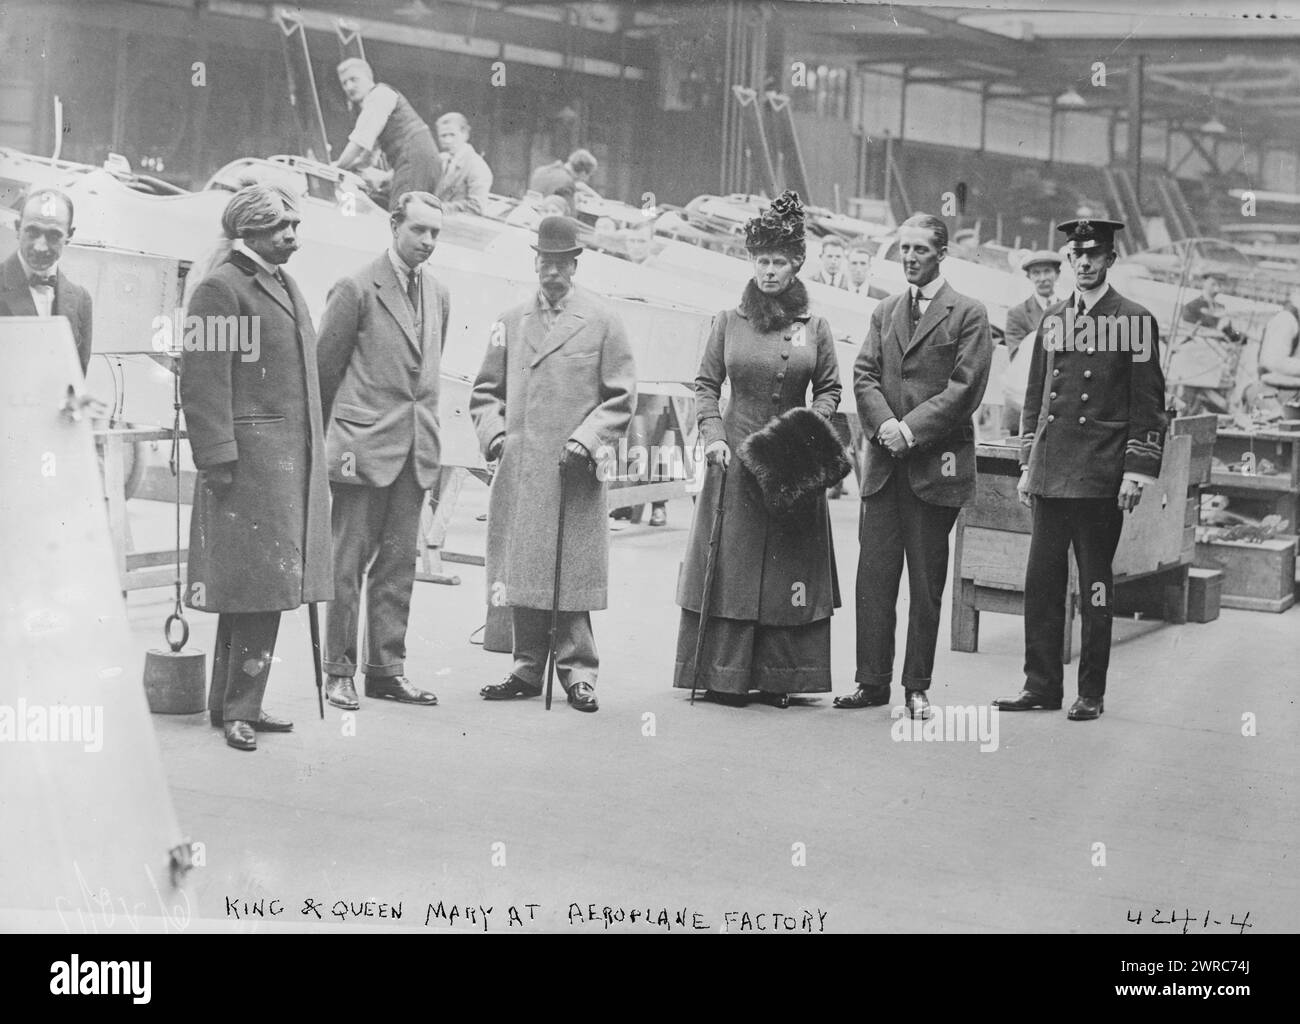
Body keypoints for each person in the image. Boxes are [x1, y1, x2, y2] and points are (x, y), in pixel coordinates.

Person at [673, 190, 843, 708]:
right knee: (735, 569)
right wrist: (714, 438)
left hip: (791, 467)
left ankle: (781, 676)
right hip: (735, 465)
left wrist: (806, 436)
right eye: (761, 261)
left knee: (787, 568)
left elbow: (831, 390)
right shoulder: (728, 321)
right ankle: (724, 674)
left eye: (779, 262)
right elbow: (705, 385)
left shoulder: (816, 327)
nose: (769, 271)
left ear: (795, 265)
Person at [179, 184, 333, 751]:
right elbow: (203, 380)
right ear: (248, 232)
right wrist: (217, 458)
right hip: (248, 471)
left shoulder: (282, 284)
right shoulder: (223, 290)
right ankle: (242, 708)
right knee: (259, 592)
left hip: (283, 469)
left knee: (256, 590)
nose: (291, 236)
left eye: (293, 226)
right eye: (279, 228)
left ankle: (229, 701)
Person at [994, 218, 1167, 722]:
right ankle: (1041, 685)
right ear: (1069, 261)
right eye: (1077, 256)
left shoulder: (1135, 320)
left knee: (1094, 587)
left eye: (1095, 255)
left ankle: (1091, 691)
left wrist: (1137, 470)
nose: (1085, 264)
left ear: (1111, 259)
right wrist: (1028, 461)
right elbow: (1035, 397)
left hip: (1100, 476)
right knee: (1042, 584)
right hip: (1051, 470)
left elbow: (1148, 404)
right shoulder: (1052, 319)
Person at [471, 216, 636, 713]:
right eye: (546, 262)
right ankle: (525, 668)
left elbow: (622, 396)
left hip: (574, 471)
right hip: (523, 471)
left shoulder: (603, 321)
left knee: (570, 576)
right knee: (523, 571)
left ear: (575, 264)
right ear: (535, 262)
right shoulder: (509, 322)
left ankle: (579, 673)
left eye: (563, 263)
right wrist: (496, 435)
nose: (553, 272)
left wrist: (588, 439)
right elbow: (484, 393)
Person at [835, 213, 992, 719]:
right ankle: (871, 681)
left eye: (920, 250)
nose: (909, 258)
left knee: (925, 585)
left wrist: (910, 429)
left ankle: (916, 687)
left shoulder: (968, 313)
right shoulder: (884, 311)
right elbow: (862, 375)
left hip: (933, 471)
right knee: (873, 580)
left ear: (941, 254)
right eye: (904, 249)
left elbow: (965, 389)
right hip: (883, 469)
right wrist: (884, 425)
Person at [316, 192, 450, 713]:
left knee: (398, 565)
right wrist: (330, 447)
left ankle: (387, 670)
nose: (428, 242)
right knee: (346, 565)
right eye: (419, 230)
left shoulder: (437, 294)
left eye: (436, 233)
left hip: (414, 451)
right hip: (361, 450)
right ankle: (339, 671)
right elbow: (324, 374)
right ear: (394, 225)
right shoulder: (355, 289)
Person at [0, 187, 92, 374]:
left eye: (53, 235)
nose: (41, 247)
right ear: (18, 228)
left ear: (69, 235)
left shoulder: (81, 299)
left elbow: (77, 379)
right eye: (32, 232)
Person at [332, 58, 441, 210]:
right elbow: (368, 157)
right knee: (408, 216)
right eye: (344, 83)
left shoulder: (379, 96)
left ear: (368, 77)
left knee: (401, 217)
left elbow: (359, 143)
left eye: (353, 80)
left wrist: (336, 168)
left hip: (414, 160)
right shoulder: (374, 103)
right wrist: (351, 167)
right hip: (421, 161)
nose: (349, 87)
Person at [1002, 250, 1063, 434]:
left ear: (1057, 274)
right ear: (1029, 277)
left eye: (1047, 272)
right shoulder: (1017, 315)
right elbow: (1018, 360)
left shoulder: (1071, 310)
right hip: (1026, 400)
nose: (1043, 278)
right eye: (1036, 273)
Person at [434, 112, 493, 216]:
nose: (448, 140)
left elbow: (477, 206)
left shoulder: (476, 165)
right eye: (443, 136)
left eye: (452, 135)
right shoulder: (441, 160)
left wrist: (437, 209)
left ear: (465, 134)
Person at [1181, 273, 1243, 343]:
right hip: (1200, 343)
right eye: (1213, 284)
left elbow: (1228, 331)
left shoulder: (1221, 307)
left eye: (1219, 285)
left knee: (1242, 338)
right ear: (1204, 283)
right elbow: (1189, 330)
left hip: (1217, 344)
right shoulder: (1192, 306)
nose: (1217, 289)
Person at [527, 149, 598, 201]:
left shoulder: (540, 170)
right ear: (583, 173)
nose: (586, 180)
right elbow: (569, 213)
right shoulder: (567, 182)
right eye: (588, 176)